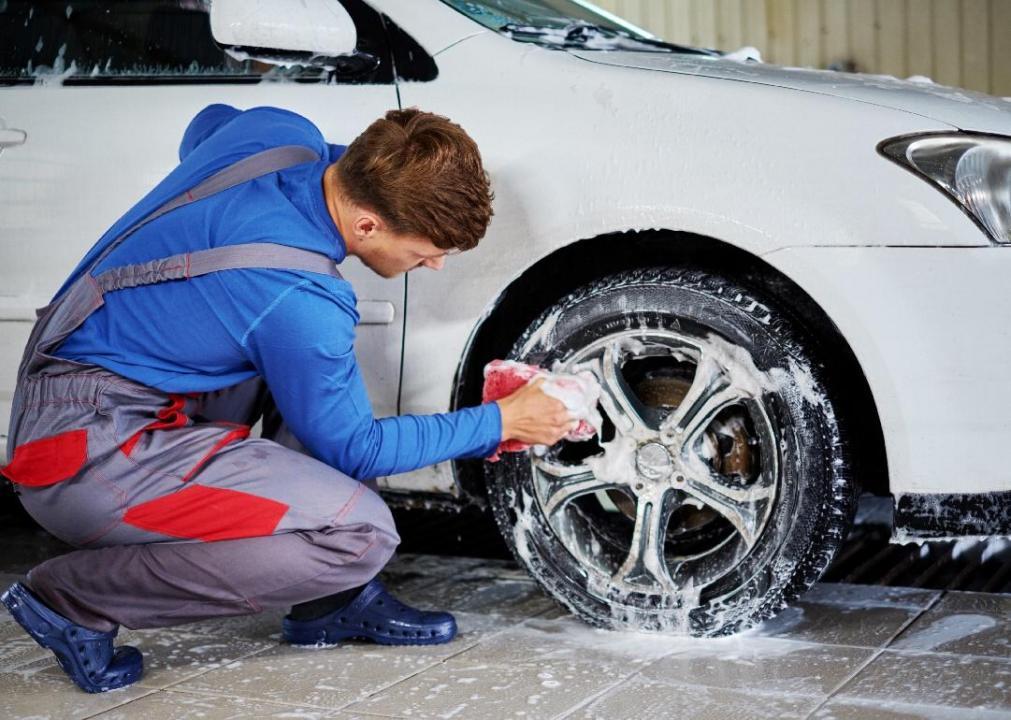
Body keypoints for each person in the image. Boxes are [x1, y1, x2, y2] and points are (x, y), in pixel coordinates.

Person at [0, 104, 574, 694]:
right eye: (426, 249)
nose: (433, 264)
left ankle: (330, 603)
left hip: (80, 382)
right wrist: (501, 420)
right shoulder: (300, 296)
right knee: (359, 536)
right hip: (85, 455)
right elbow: (358, 449)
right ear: (369, 224)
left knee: (302, 369)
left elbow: (209, 123)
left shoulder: (279, 135)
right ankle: (73, 599)